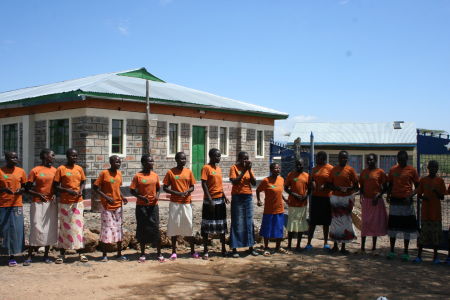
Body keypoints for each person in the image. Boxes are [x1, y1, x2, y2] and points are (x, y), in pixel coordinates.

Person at [53, 148, 87, 263]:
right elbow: (56, 186)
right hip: (65, 203)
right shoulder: (61, 169)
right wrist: (68, 191)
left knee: (78, 228)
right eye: (72, 156)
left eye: (76, 156)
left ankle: (81, 253)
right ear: (67, 156)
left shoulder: (79, 169)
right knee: (64, 228)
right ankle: (62, 254)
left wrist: (81, 190)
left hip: (78, 202)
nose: (75, 158)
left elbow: (83, 181)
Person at [24, 149, 58, 265]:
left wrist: (54, 194)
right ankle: (29, 256)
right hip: (37, 202)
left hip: (50, 204)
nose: (53, 157)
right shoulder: (35, 170)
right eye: (52, 155)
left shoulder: (55, 171)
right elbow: (27, 189)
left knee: (49, 228)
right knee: (35, 227)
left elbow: (57, 187)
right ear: (44, 156)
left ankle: (46, 255)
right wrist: (38, 194)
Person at [163, 152, 198, 260]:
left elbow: (192, 187)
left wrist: (188, 191)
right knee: (174, 226)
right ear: (176, 160)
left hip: (186, 202)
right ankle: (174, 251)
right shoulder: (171, 172)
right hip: (175, 203)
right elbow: (165, 187)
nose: (183, 161)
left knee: (189, 226)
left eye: (184, 159)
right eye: (181, 159)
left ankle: (192, 251)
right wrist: (176, 193)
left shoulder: (189, 172)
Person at [93, 155, 128, 262]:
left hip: (118, 205)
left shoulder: (119, 174)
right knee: (107, 228)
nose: (118, 164)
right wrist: (106, 197)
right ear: (111, 162)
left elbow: (117, 188)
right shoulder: (104, 174)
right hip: (106, 206)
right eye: (116, 162)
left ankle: (119, 253)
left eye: (119, 162)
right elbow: (95, 188)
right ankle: (104, 255)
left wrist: (123, 197)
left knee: (118, 228)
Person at [386, 150, 419, 261]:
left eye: (403, 159)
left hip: (406, 202)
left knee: (406, 228)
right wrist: (388, 195)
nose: (401, 161)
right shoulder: (393, 170)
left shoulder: (412, 170)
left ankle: (405, 252)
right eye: (399, 159)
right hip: (395, 202)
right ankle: (391, 250)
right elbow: (390, 184)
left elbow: (418, 187)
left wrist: (410, 196)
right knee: (393, 227)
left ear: (406, 159)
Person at [130, 154, 163, 263]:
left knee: (155, 227)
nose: (152, 163)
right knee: (142, 227)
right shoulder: (138, 176)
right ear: (144, 163)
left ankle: (159, 253)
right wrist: (141, 198)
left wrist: (157, 196)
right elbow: (132, 191)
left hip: (153, 207)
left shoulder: (155, 175)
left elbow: (158, 188)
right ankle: (143, 253)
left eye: (152, 161)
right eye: (150, 161)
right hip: (141, 207)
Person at [326, 150, 358, 254]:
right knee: (335, 221)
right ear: (338, 159)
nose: (343, 159)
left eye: (345, 158)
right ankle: (335, 245)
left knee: (346, 221)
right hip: (335, 198)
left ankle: (343, 247)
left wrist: (348, 189)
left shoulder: (351, 170)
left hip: (347, 199)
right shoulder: (334, 170)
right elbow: (329, 184)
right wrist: (337, 188)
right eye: (341, 158)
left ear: (347, 159)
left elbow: (356, 186)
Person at [414, 160, 446, 264]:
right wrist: (424, 198)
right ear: (428, 168)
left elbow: (442, 197)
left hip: (436, 214)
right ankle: (419, 256)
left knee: (436, 236)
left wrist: (436, 192)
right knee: (423, 236)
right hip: (425, 213)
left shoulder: (440, 181)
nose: (432, 169)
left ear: (437, 169)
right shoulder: (423, 180)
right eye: (430, 167)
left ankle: (435, 257)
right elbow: (419, 194)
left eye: (434, 167)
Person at [229, 151, 258, 258]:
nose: (245, 161)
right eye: (243, 158)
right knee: (237, 221)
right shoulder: (234, 168)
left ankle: (250, 247)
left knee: (249, 221)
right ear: (239, 159)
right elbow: (234, 182)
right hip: (237, 197)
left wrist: (249, 170)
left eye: (247, 158)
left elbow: (254, 183)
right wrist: (243, 171)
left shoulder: (249, 169)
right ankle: (235, 248)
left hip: (248, 197)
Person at [200, 148, 229, 259]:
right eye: (217, 156)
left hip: (220, 200)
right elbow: (204, 184)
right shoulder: (206, 168)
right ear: (211, 156)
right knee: (207, 226)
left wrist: (225, 196)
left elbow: (219, 185)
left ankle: (223, 249)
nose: (219, 158)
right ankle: (206, 251)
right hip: (209, 201)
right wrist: (210, 199)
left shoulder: (219, 169)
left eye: (220, 156)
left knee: (221, 225)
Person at [0, 152, 26, 267]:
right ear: (6, 159)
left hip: (16, 205)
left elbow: (26, 187)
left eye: (16, 157)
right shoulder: (1, 171)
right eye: (12, 157)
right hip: (3, 205)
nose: (15, 159)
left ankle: (13, 256)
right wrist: (4, 190)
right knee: (3, 230)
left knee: (15, 230)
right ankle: (3, 253)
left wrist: (21, 191)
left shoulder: (21, 171)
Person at [359, 153, 388, 252]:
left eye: (371, 160)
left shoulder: (380, 172)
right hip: (367, 201)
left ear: (375, 160)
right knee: (365, 223)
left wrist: (379, 195)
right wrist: (361, 195)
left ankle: (374, 247)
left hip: (376, 202)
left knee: (375, 224)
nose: (369, 162)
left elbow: (385, 187)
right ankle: (362, 247)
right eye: (368, 160)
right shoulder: (364, 172)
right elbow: (361, 187)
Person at [257, 162, 287, 256]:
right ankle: (266, 247)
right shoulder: (266, 181)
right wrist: (259, 200)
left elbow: (279, 191)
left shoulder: (281, 179)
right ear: (271, 170)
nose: (277, 170)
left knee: (279, 229)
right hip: (269, 210)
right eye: (275, 168)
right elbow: (258, 190)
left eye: (278, 168)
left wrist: (284, 198)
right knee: (267, 229)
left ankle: (278, 247)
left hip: (279, 209)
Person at [306, 151, 333, 250]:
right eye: (316, 158)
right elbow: (311, 180)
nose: (317, 160)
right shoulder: (314, 169)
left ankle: (326, 242)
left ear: (324, 159)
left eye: (319, 158)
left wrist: (325, 185)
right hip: (316, 197)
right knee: (313, 221)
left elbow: (333, 183)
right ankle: (309, 243)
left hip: (326, 198)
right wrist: (312, 182)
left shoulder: (330, 168)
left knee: (326, 222)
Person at [284, 158, 309, 251]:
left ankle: (298, 245)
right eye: (297, 165)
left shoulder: (306, 176)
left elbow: (309, 188)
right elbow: (286, 188)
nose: (299, 166)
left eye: (301, 165)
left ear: (303, 165)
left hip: (302, 204)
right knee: (291, 224)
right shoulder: (291, 175)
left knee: (300, 225)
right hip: (293, 204)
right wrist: (294, 194)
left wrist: (305, 196)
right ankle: (289, 245)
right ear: (295, 165)